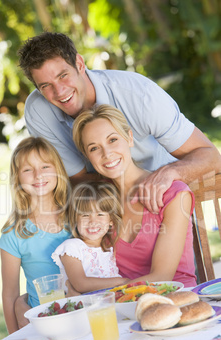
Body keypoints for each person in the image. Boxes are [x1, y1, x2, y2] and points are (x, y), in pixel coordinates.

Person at [18, 32, 221, 213]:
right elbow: (77, 179)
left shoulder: (139, 95)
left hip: (164, 201)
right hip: (105, 211)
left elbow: (211, 157)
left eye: (63, 76)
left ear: (80, 64)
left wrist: (170, 173)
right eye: (45, 86)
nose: (60, 92)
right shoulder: (39, 111)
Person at [72, 104, 197, 287]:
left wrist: (105, 295)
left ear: (129, 138)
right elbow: (84, 260)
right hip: (124, 307)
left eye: (112, 140)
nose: (107, 154)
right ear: (87, 156)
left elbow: (161, 276)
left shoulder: (173, 194)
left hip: (174, 300)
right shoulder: (98, 201)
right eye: (94, 148)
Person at [0, 137, 71, 334]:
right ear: (18, 178)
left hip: (81, 313)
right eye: (28, 170)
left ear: (58, 171)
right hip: (40, 323)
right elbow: (10, 294)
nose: (38, 175)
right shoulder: (14, 233)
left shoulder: (78, 216)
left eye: (45, 166)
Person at [52, 181, 130, 293]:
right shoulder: (72, 248)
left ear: (111, 221)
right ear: (75, 220)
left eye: (100, 214)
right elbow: (81, 284)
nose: (93, 221)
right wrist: (122, 281)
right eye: (85, 215)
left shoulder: (108, 249)